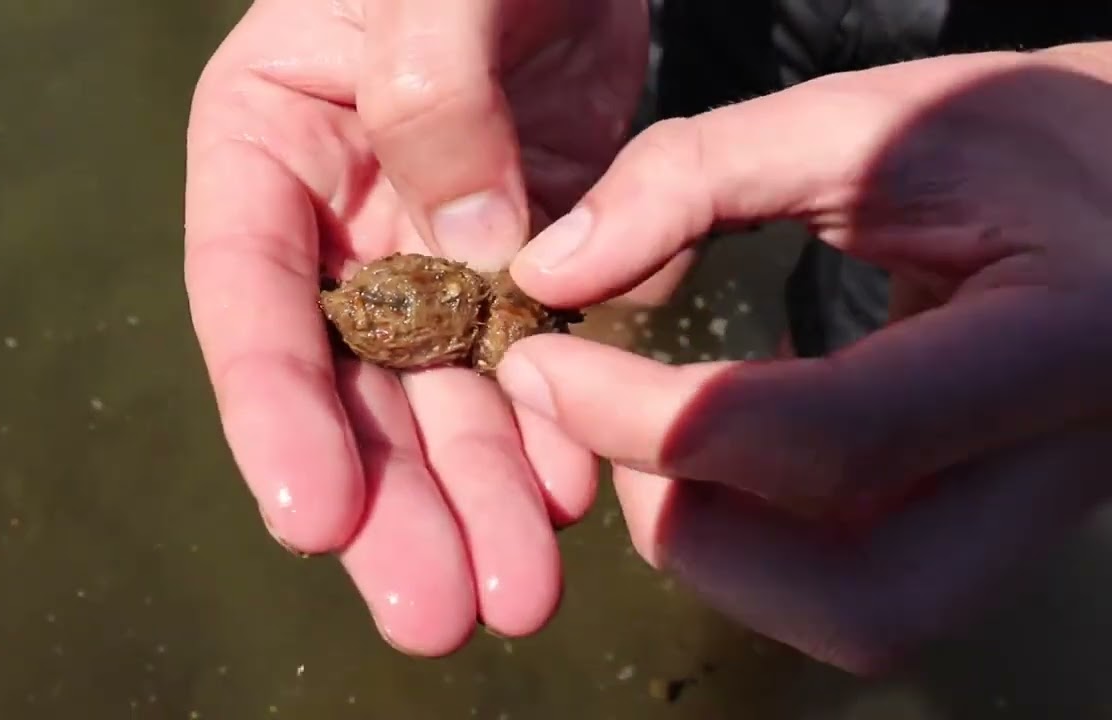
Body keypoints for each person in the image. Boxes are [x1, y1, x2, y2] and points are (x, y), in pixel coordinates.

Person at [182, 0, 1112, 673]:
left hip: (1022, 59)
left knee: (870, 383)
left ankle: (744, 490)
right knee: (609, 214)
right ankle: (620, 357)